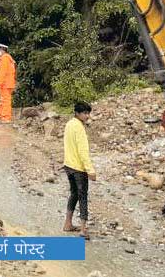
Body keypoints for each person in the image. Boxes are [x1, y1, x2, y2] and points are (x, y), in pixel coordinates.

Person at [63, 102, 95, 239]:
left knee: (74, 194)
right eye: (85, 113)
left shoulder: (69, 124)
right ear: (77, 113)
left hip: (68, 165)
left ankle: (68, 223)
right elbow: (83, 152)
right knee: (82, 197)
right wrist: (90, 170)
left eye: (88, 113)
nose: (87, 116)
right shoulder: (79, 128)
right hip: (78, 168)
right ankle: (83, 229)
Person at [0, 43, 17, 123]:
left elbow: (2, 72)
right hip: (9, 83)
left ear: (3, 50)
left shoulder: (4, 59)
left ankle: (6, 118)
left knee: (5, 100)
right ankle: (0, 115)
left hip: (5, 84)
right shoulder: (9, 58)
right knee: (3, 99)